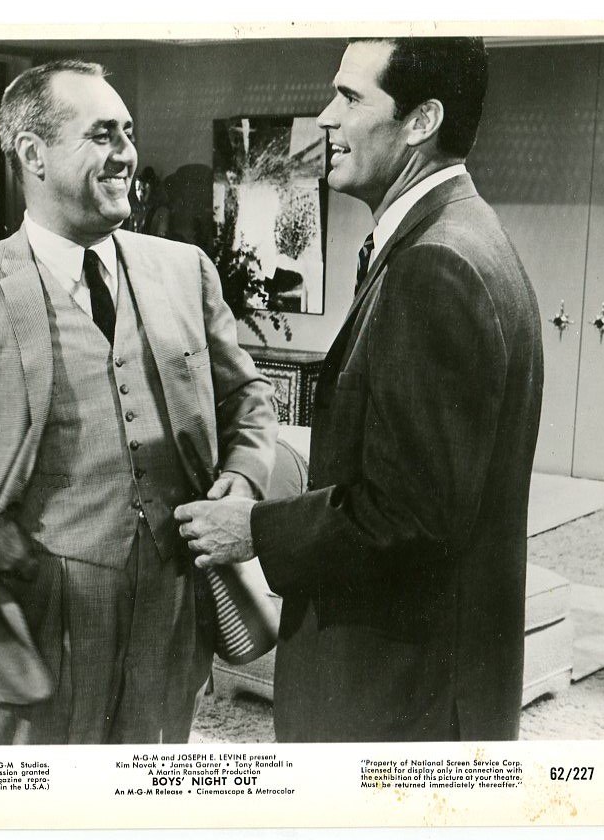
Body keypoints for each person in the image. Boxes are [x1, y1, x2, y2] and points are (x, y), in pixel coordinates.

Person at [0, 59, 277, 745]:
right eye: (101, 134)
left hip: (173, 606)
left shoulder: (184, 270)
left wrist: (241, 480)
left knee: (151, 785)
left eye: (127, 132)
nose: (125, 153)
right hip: (33, 610)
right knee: (39, 792)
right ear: (33, 154)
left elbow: (246, 395)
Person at [175, 37, 543, 742]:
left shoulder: (435, 265)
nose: (325, 117)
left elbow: (409, 516)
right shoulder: (466, 235)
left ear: (421, 120)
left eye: (349, 96)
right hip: (426, 683)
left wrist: (254, 529)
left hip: (397, 697)